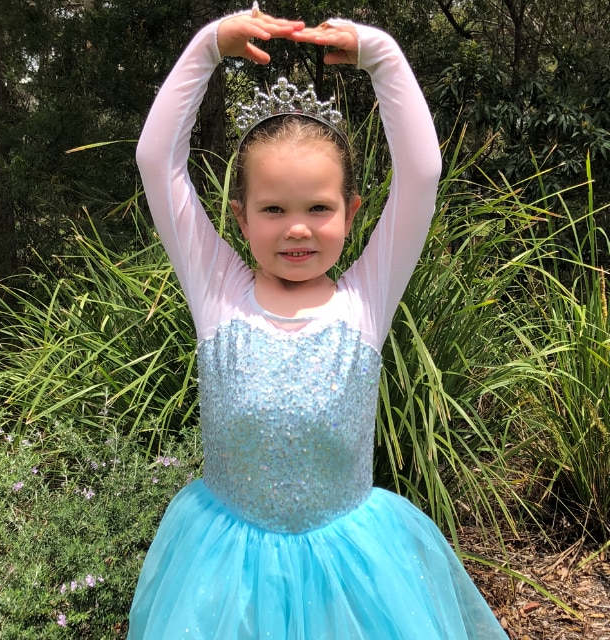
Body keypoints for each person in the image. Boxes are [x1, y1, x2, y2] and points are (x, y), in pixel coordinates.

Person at [128, 6, 509, 639]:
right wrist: (207, 49)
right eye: (273, 208)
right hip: (226, 574)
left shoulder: (366, 302)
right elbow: (155, 161)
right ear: (240, 217)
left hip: (351, 571)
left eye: (318, 208)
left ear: (352, 211)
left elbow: (421, 175)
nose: (297, 227)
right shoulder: (217, 291)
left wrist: (381, 56)